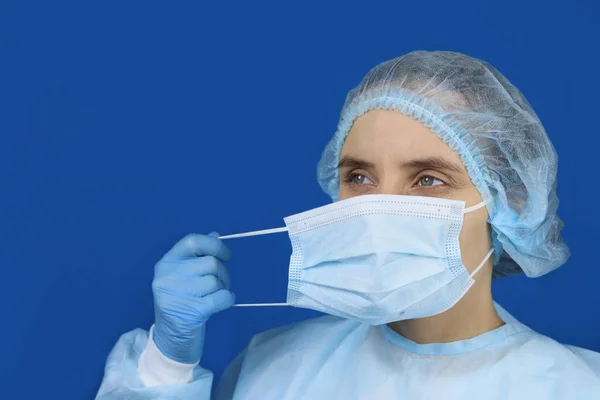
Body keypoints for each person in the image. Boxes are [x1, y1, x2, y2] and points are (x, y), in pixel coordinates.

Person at [95, 51, 600, 399]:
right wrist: (166, 365)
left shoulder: (576, 388)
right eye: (358, 175)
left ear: (509, 197)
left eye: (427, 179)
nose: (379, 209)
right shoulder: (272, 367)